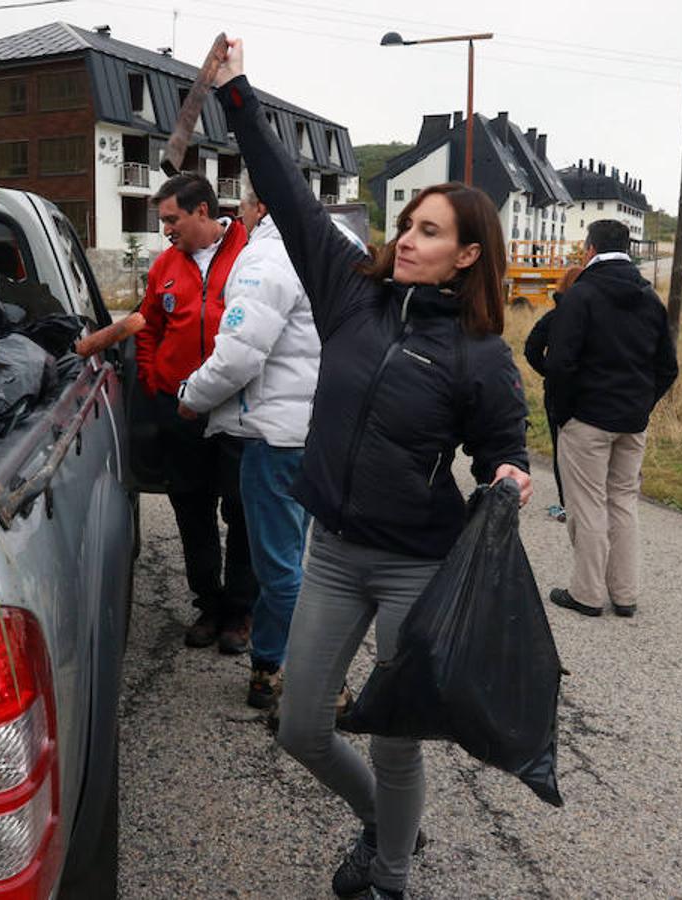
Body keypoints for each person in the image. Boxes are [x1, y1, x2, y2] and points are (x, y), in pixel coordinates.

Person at [214, 41, 533, 900]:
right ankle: (388, 823)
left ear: (467, 255)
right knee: (302, 728)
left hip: (413, 570)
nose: (408, 239)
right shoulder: (348, 294)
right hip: (333, 553)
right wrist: (237, 97)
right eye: (408, 224)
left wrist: (509, 475)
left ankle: (390, 873)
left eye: (430, 231)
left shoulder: (478, 356)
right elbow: (285, 192)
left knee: (395, 741)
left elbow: (507, 444)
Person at [176, 184, 324, 710]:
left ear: (261, 207)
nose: (237, 214)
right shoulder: (326, 244)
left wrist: (192, 395)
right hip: (316, 429)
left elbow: (239, 357)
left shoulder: (266, 256)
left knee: (278, 566)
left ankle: (278, 669)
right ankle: (301, 664)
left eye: (242, 206)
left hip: (275, 436)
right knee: (297, 556)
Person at [136, 172, 257, 653]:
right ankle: (209, 603)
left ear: (203, 211)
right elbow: (149, 326)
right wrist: (152, 378)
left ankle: (241, 611)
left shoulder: (251, 259)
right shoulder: (165, 264)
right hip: (179, 410)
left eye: (172, 218)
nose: (166, 229)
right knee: (192, 508)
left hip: (238, 411)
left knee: (244, 511)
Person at [542, 219, 678, 618]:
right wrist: (641, 405)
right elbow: (667, 368)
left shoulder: (582, 295)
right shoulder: (650, 299)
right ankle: (625, 594)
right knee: (623, 502)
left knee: (587, 505)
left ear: (589, 249)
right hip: (632, 421)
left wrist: (563, 412)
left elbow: (561, 363)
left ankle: (585, 593)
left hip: (586, 418)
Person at [523, 265, 583, 520]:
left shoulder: (554, 317)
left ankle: (567, 503)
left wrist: (548, 372)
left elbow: (531, 348)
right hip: (593, 393)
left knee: (561, 448)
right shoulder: (598, 317)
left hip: (558, 392)